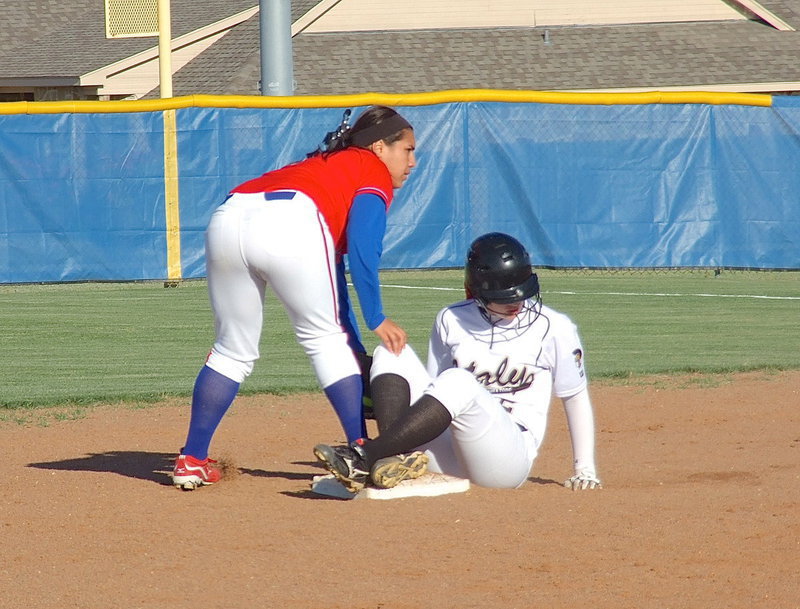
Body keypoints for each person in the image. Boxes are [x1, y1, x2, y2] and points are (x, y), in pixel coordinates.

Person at [172, 106, 417, 490]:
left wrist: (354, 345)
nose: (412, 161)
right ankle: (359, 452)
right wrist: (376, 318)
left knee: (232, 350)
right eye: (407, 149)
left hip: (228, 216)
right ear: (379, 147)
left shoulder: (325, 168)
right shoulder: (370, 168)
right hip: (293, 221)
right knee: (324, 342)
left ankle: (191, 459)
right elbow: (366, 249)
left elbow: (334, 287)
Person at [313, 232, 602, 493]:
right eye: (502, 298)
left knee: (459, 381)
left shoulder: (555, 328)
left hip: (506, 459)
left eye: (521, 292)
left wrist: (584, 469)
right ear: (475, 292)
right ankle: (390, 460)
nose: (515, 303)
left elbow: (574, 397)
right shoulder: (451, 319)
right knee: (390, 353)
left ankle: (365, 456)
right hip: (447, 451)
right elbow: (432, 391)